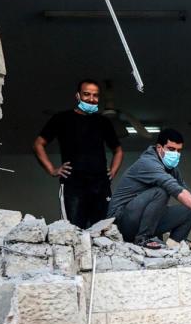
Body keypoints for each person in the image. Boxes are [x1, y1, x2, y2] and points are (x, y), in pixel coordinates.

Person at [108, 128, 191, 248]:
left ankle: (173, 249)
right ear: (159, 148)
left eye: (179, 150)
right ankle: (142, 239)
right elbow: (176, 190)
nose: (176, 154)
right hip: (121, 222)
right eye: (171, 149)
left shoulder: (171, 169)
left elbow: (187, 192)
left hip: (140, 222)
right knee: (161, 192)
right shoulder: (148, 163)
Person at [32, 79, 124, 229]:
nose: (91, 99)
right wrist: (52, 169)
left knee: (102, 230)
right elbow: (38, 144)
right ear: (78, 95)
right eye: (87, 94)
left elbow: (118, 150)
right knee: (72, 231)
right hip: (73, 184)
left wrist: (113, 171)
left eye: (95, 95)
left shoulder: (104, 122)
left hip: (100, 185)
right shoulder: (61, 119)